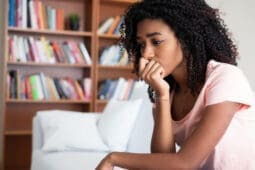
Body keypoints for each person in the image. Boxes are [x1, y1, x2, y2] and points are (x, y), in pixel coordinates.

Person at [96, 0, 255, 169]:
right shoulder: (165, 90)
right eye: (142, 44)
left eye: (156, 42)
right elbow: (163, 162)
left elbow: (185, 163)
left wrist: (113, 158)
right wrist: (162, 96)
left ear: (186, 38)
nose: (146, 54)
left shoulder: (225, 78)